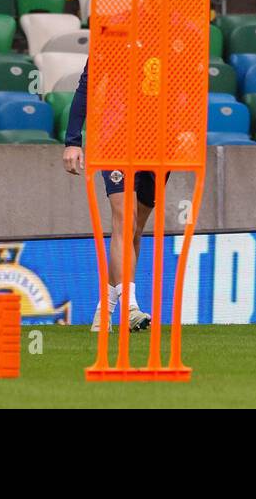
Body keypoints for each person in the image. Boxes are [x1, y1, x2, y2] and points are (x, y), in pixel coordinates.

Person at [62, 60, 154, 333]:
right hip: (116, 137)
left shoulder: (169, 37)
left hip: (157, 141)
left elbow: (182, 90)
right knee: (124, 219)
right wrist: (72, 141)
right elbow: (85, 87)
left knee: (136, 230)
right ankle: (130, 307)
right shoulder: (112, 35)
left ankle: (107, 306)